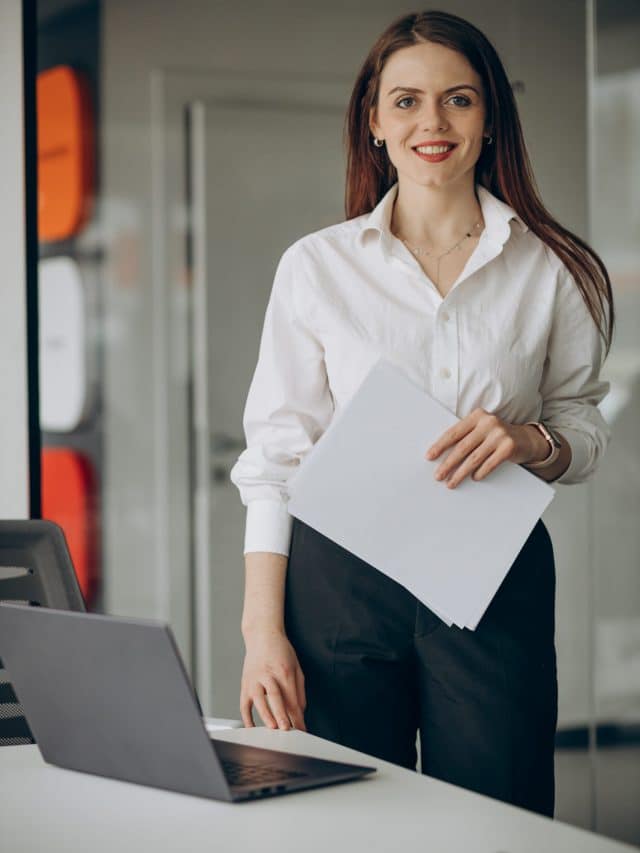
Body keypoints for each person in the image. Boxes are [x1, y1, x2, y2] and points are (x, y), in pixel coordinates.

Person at [229, 9, 614, 818]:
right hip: (338, 581)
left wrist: (529, 438)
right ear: (373, 120)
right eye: (405, 101)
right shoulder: (317, 268)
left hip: (493, 575)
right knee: (339, 812)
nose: (431, 123)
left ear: (489, 118)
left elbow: (583, 429)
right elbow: (275, 458)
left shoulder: (554, 269)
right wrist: (262, 632)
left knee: (499, 815)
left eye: (458, 99)